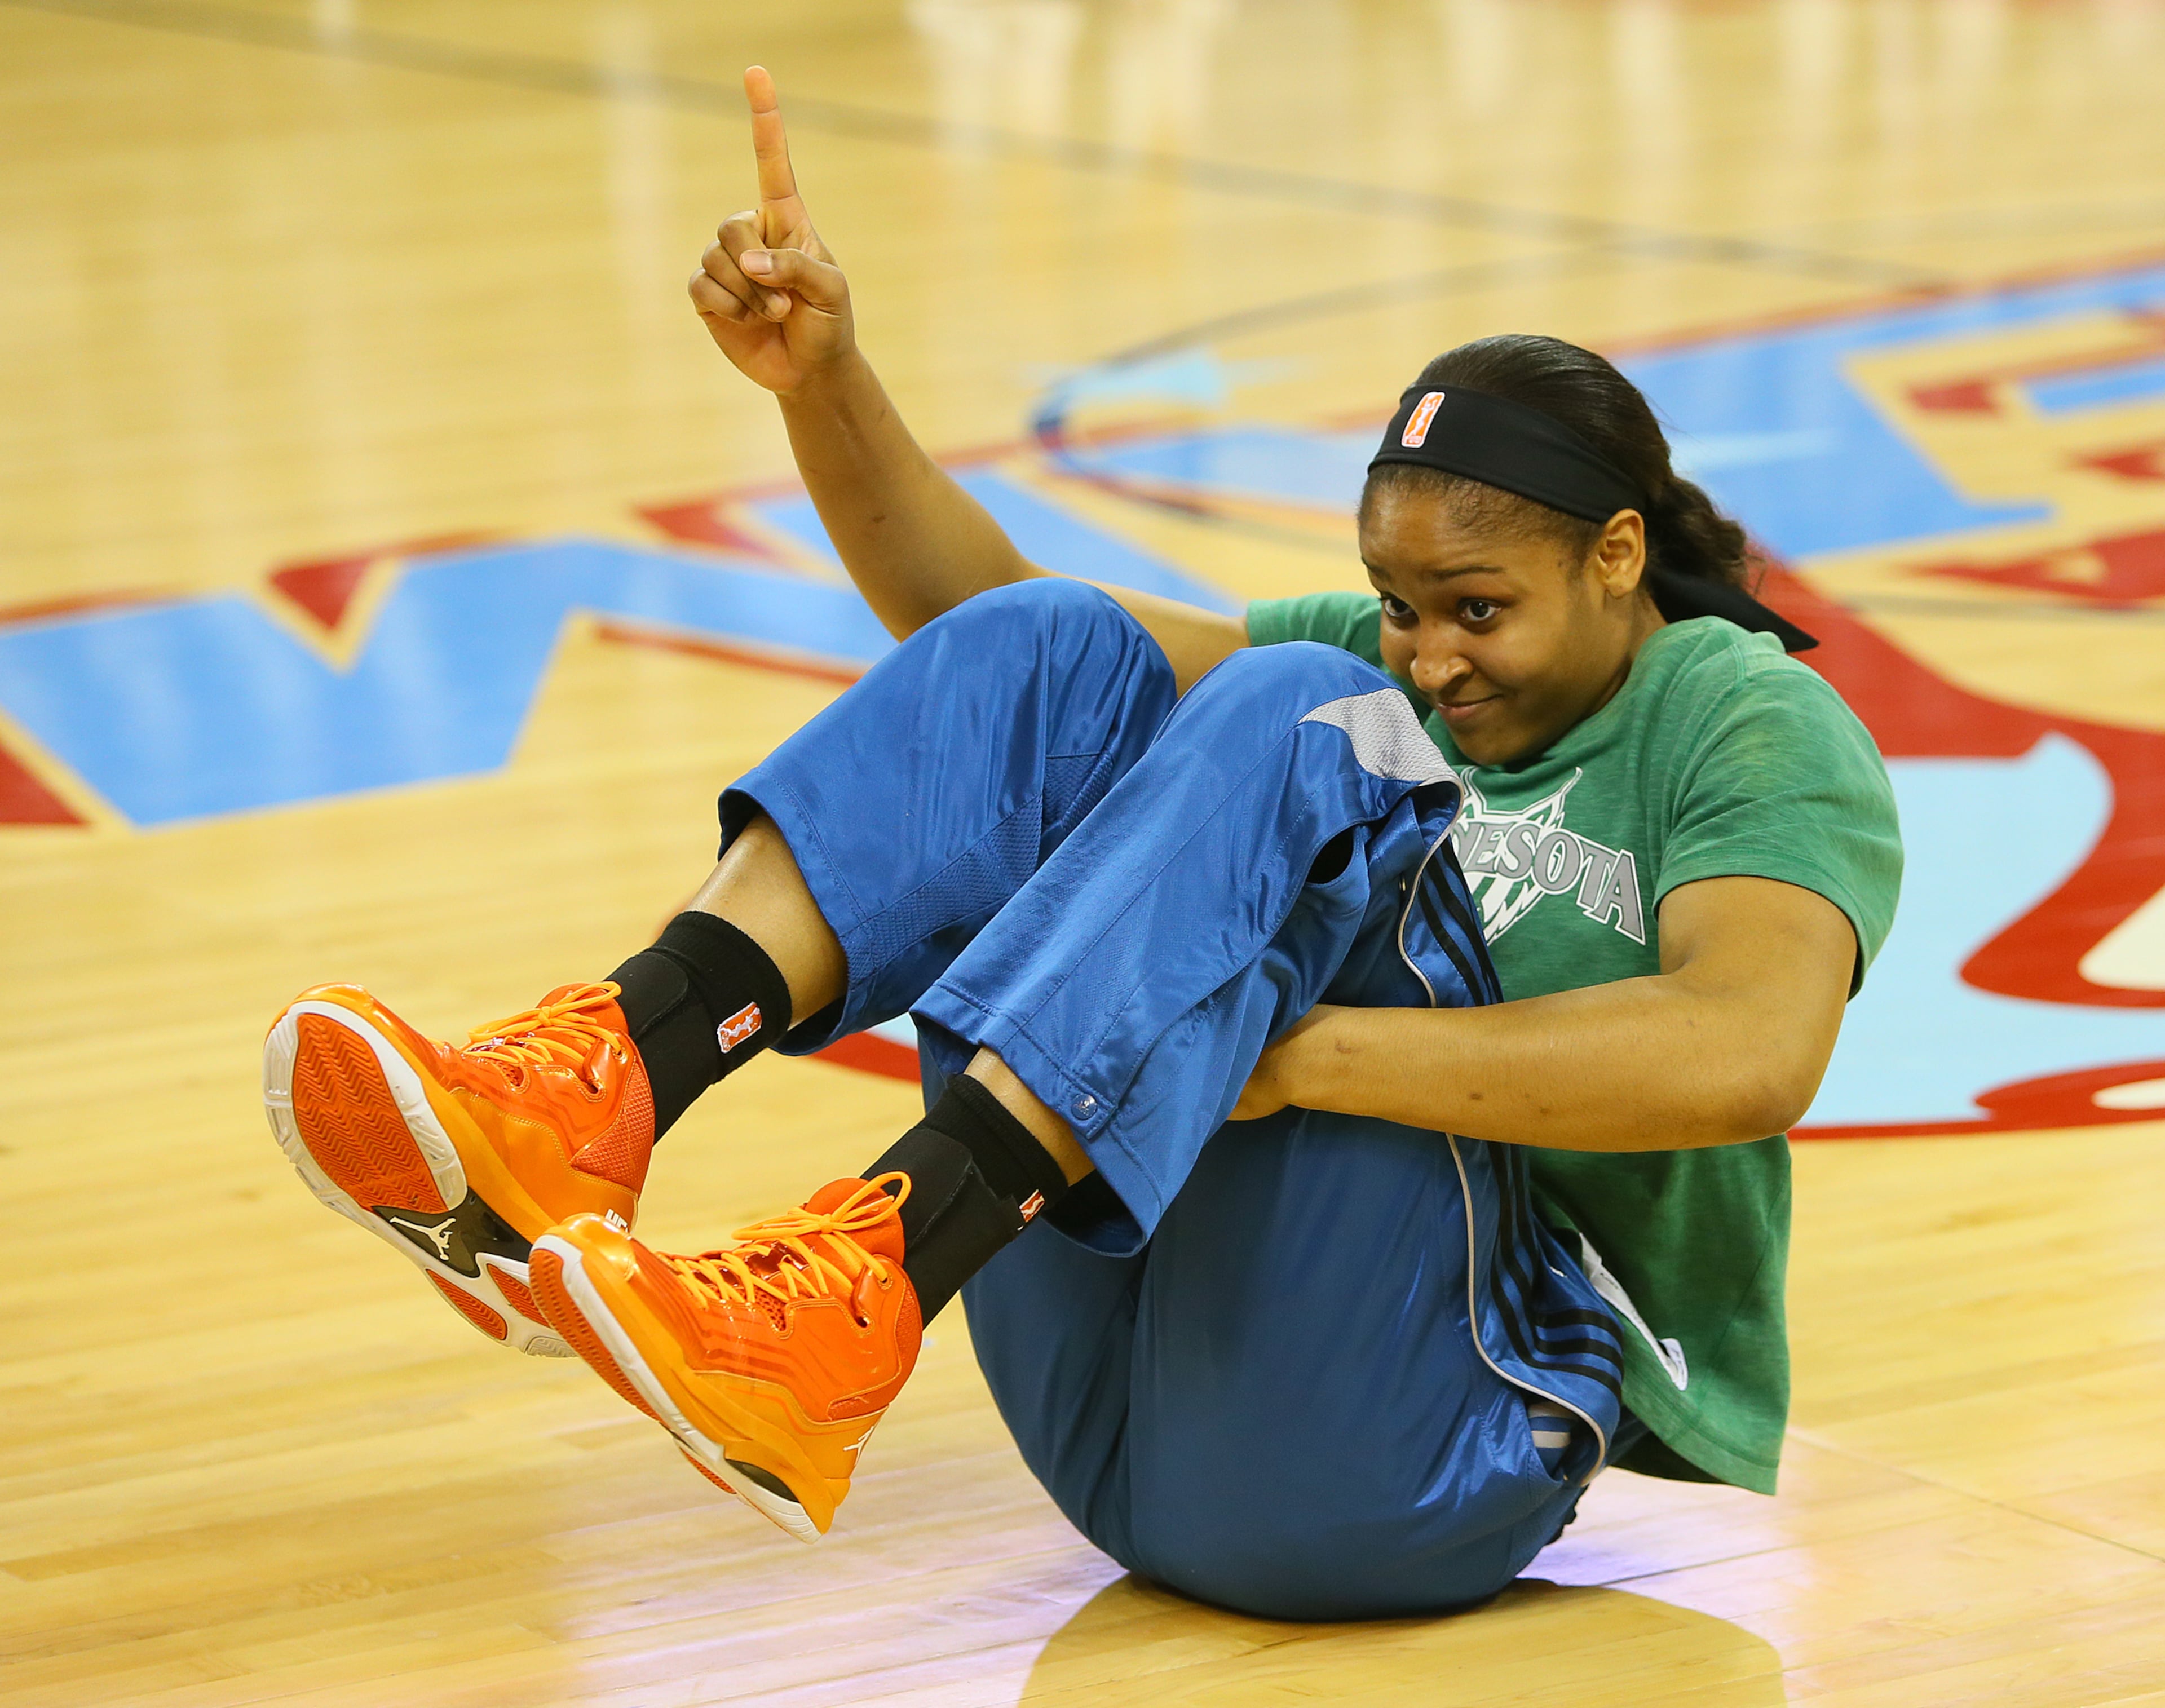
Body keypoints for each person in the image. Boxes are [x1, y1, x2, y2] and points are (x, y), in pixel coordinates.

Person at [260, 68, 1901, 1621]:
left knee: (1298, 710)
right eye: (1405, 609)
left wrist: (1293, 1056)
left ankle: (877, 1270)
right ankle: (611, 1072)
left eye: (1481, 611)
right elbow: (988, 670)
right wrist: (825, 385)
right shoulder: (1381, 671)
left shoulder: (1740, 723)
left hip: (1429, 1437)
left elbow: (1741, 1054)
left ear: (1619, 557)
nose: (1432, 655)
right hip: (1122, 1432)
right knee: (1065, 648)